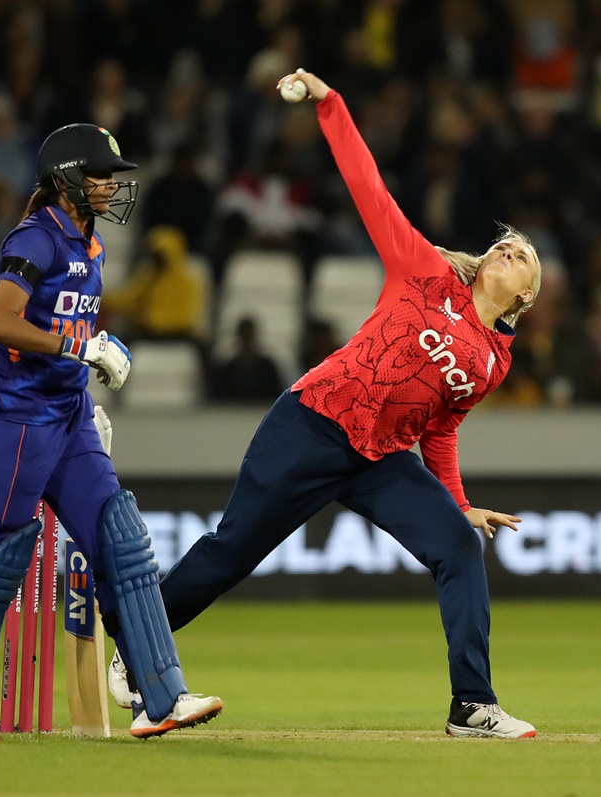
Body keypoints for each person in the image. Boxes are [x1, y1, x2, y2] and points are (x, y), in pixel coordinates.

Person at [124, 69, 542, 739]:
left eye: (522, 255)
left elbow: (440, 430)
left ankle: (472, 705)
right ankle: (131, 645)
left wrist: (457, 501)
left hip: (378, 459)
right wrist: (330, 104)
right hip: (313, 421)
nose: (508, 248)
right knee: (231, 551)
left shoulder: (494, 361)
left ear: (525, 296)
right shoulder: (425, 269)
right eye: (505, 242)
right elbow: (366, 184)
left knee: (460, 544)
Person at [0, 123, 221, 743]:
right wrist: (78, 346)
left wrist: (92, 351)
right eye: (100, 174)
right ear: (66, 180)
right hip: (17, 422)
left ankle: (158, 697)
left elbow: (70, 328)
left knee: (122, 538)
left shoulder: (91, 245)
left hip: (69, 414)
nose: (111, 185)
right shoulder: (36, 239)